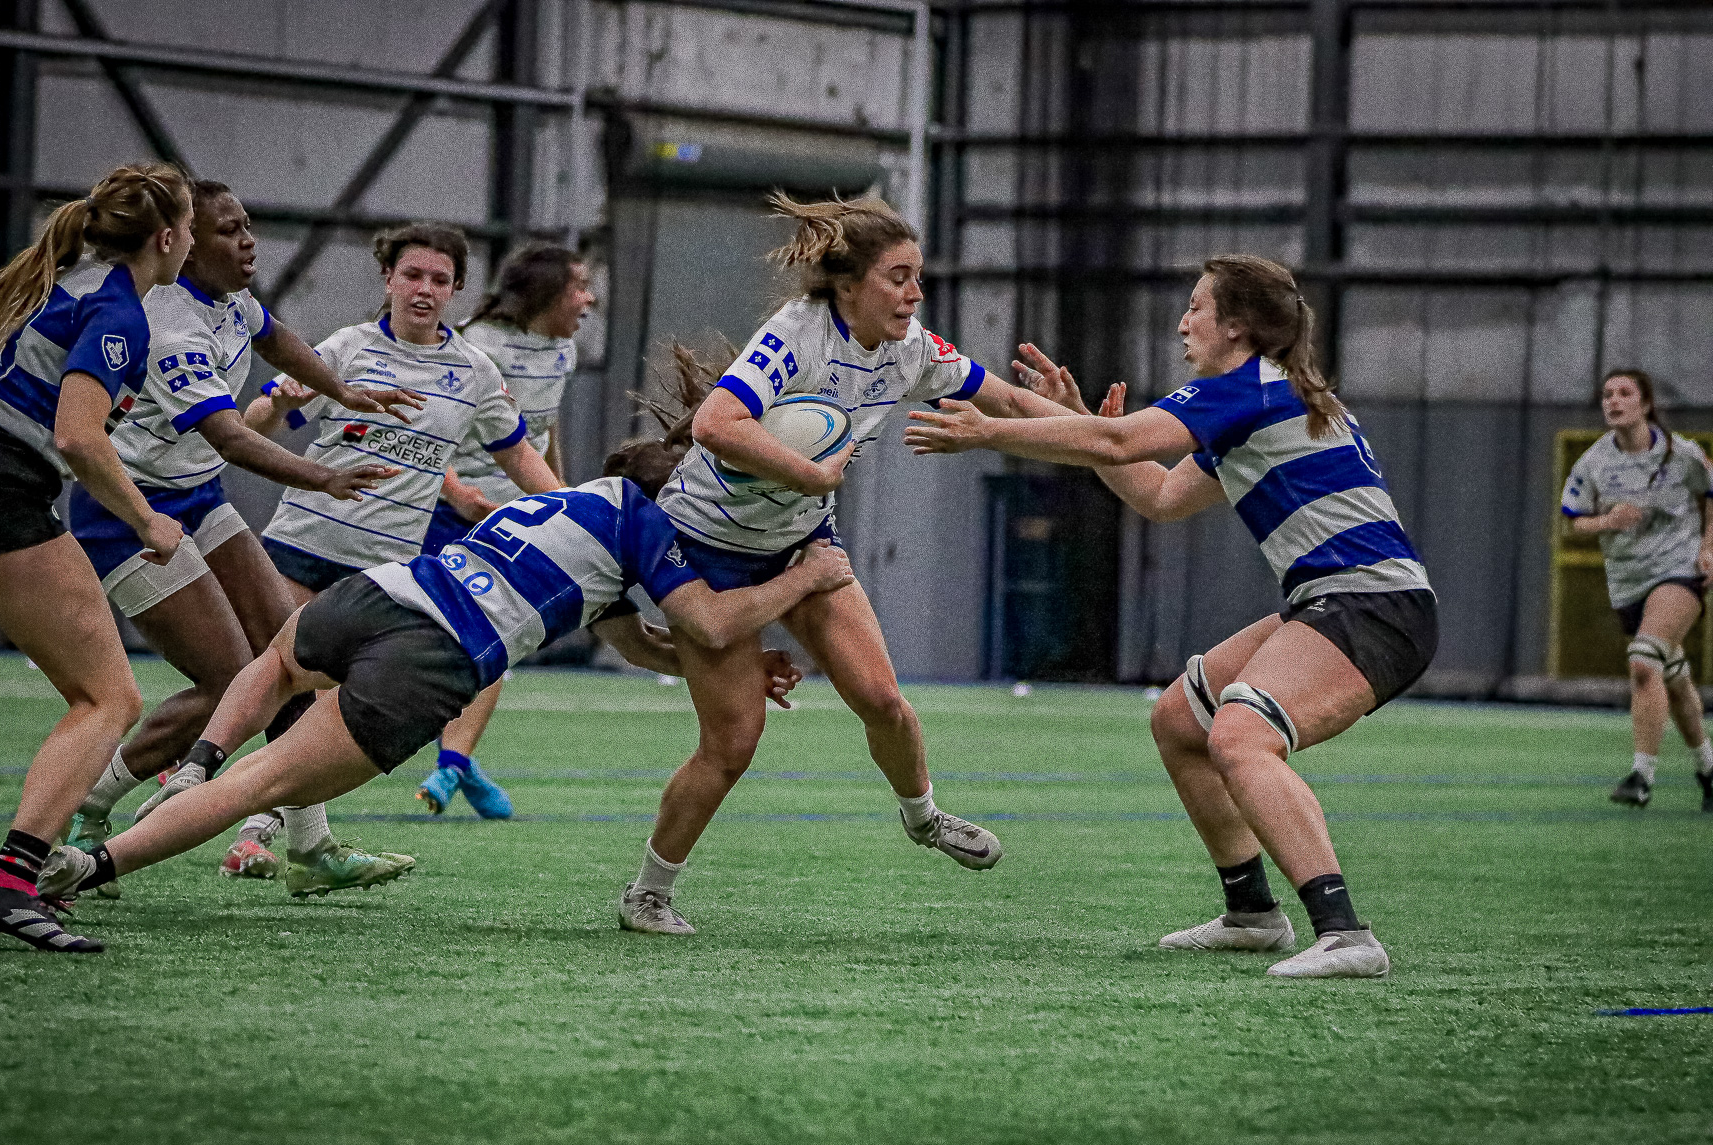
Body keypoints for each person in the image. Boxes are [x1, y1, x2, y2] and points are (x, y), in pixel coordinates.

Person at [38, 457, 854, 931]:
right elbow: (706, 626)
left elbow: (638, 641)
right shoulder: (646, 522)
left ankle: (195, 763)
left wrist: (739, 666)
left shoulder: (568, 506)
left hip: (383, 590)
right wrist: (811, 575)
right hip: (435, 654)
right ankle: (86, 864)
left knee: (274, 665)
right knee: (264, 785)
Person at [905, 253, 1438, 979]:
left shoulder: (1239, 390)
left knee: (1243, 736)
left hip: (1372, 605)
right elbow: (1157, 493)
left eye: (1196, 307)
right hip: (1336, 599)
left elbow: (1118, 442)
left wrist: (995, 432)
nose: (1183, 321)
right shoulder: (1260, 397)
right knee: (1182, 721)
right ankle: (1252, 914)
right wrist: (1071, 420)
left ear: (1239, 327)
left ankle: (1347, 934)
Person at [614, 190, 1070, 936]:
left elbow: (1008, 400)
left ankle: (923, 819)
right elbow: (715, 422)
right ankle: (649, 894)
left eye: (917, 276)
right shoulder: (795, 334)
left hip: (804, 546)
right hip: (707, 549)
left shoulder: (912, 349)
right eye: (898, 276)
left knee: (883, 700)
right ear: (849, 284)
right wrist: (812, 476)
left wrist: (1103, 430)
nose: (914, 293)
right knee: (732, 744)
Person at [61, 179, 427, 898]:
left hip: (197, 497)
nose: (249, 241)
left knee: (290, 654)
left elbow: (277, 337)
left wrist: (343, 390)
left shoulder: (227, 299)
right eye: (229, 231)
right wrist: (323, 476)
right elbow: (228, 436)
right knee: (228, 682)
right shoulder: (168, 325)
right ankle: (89, 807)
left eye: (248, 225)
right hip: (128, 510)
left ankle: (310, 846)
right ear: (186, 244)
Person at [200, 221, 560, 887]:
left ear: (456, 290)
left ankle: (278, 839)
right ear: (388, 280)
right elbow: (253, 428)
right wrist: (278, 402)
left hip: (384, 573)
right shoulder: (346, 349)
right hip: (305, 545)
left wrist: (574, 511)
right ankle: (232, 820)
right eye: (413, 275)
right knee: (274, 691)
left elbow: (518, 455)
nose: (424, 289)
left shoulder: (473, 372)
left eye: (439, 280)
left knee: (323, 711)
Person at [0, 163, 194, 952]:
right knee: (108, 699)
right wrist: (149, 521)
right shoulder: (119, 311)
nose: (195, 242)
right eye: (194, 229)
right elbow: (78, 435)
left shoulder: (54, 277)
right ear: (166, 238)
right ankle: (8, 887)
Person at [415, 242, 597, 818]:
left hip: (513, 522)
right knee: (433, 639)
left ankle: (453, 765)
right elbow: (424, 423)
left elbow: (542, 430)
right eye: (579, 287)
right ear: (546, 293)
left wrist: (561, 498)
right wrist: (457, 492)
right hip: (447, 512)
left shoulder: (564, 350)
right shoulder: (475, 346)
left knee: (493, 642)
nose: (589, 298)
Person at [1561, 369, 1713, 811]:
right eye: (1607, 394)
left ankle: (1641, 776)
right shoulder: (1593, 463)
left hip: (1678, 572)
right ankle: (1708, 771)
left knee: (1644, 662)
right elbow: (1573, 522)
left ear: (1645, 404)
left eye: (1625, 393)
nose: (1614, 401)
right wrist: (1608, 521)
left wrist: (1708, 547)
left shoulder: (1680, 453)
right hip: (1627, 582)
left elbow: (1711, 491)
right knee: (1673, 674)